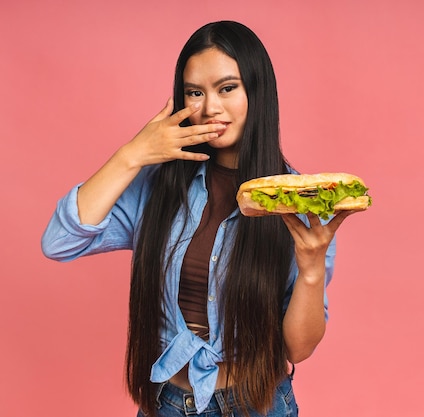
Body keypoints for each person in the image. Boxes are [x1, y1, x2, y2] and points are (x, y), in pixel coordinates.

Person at [42, 21, 353, 417]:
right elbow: (59, 242)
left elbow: (298, 349)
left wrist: (310, 270)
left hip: (257, 404)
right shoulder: (157, 187)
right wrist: (131, 155)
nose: (209, 108)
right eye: (195, 93)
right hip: (168, 404)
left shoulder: (299, 201)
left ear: (257, 91)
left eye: (227, 88)